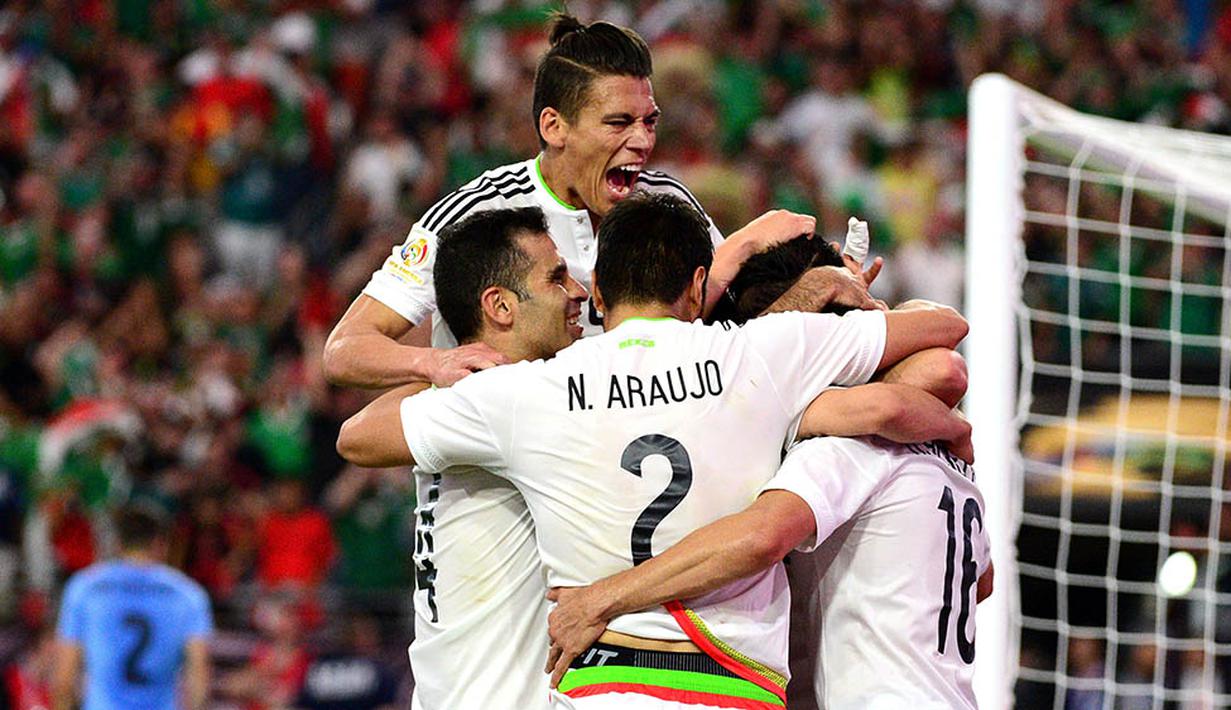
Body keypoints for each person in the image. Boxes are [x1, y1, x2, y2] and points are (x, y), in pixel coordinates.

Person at [338, 193, 969, 709]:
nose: (574, 295)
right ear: (698, 288)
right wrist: (837, 309)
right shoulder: (765, 353)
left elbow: (358, 436)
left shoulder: (526, 392)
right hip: (730, 685)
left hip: (598, 685)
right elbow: (944, 334)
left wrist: (447, 366)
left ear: (602, 298)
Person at [543, 236, 993, 709]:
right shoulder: (951, 466)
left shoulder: (849, 444)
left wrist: (602, 599)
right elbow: (982, 581)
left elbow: (760, 537)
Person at [322, 12, 862, 390]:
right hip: (493, 525)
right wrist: (436, 364)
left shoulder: (666, 203)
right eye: (619, 123)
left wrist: (821, 290)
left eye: (649, 121)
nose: (643, 142)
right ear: (554, 126)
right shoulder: (478, 214)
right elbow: (346, 349)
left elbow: (728, 325)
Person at [51, 506, 212, 710]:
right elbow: (198, 674)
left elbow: (64, 678)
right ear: (160, 544)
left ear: (118, 544)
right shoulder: (188, 594)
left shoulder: (85, 588)